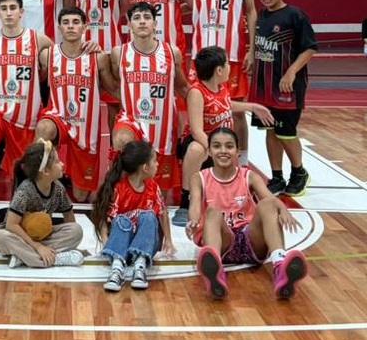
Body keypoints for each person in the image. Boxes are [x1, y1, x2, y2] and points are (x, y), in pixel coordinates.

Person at [186, 127, 309, 300]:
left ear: (238, 151)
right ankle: (215, 270)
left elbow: (270, 199)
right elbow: (194, 206)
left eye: (229, 146)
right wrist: (192, 221)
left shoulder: (249, 176)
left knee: (267, 204)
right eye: (217, 146)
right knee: (212, 212)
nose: (223, 151)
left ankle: (280, 265)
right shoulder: (199, 178)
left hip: (251, 240)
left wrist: (283, 210)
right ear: (209, 152)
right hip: (223, 242)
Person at [0, 0, 54, 209]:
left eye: (13, 8)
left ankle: (4, 149)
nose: (8, 13)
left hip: (27, 114)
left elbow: (54, 61)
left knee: (24, 180)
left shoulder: (38, 39)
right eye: (4, 8)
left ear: (21, 12)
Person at [175, 46, 274, 226]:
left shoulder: (221, 87)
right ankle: (185, 202)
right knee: (196, 149)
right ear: (219, 70)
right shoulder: (196, 92)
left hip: (218, 144)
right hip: (203, 144)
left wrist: (252, 107)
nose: (230, 67)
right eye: (227, 63)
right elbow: (196, 131)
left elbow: (226, 105)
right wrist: (214, 150)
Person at [188, 0, 257, 165]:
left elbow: (251, 11)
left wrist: (251, 50)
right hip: (201, 54)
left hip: (232, 54)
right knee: (198, 107)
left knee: (236, 111)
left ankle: (242, 160)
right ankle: (203, 158)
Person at [36, 8, 116, 203]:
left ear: (84, 27)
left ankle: (67, 176)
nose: (70, 26)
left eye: (75, 22)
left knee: (81, 196)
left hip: (85, 127)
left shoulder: (98, 57)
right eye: (66, 22)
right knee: (44, 128)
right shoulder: (48, 55)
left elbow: (113, 89)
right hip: (58, 118)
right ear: (59, 28)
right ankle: (39, 182)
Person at [110, 2, 191, 191]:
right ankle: (117, 192)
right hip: (132, 121)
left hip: (163, 125)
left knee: (159, 192)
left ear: (155, 24)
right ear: (129, 24)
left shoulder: (172, 53)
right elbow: (115, 84)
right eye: (136, 18)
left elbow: (182, 87)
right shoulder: (119, 53)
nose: (142, 22)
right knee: (122, 140)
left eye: (147, 18)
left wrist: (207, 105)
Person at [250, 0, 317, 196]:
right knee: (270, 131)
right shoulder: (261, 16)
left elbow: (310, 48)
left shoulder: (295, 15)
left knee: (285, 132)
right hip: (263, 86)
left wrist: (291, 72)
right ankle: (277, 176)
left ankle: (299, 172)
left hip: (287, 86)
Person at [62, 0, 128, 127]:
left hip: (111, 46)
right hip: (82, 49)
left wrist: (112, 16)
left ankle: (115, 145)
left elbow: (125, 5)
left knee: (114, 103)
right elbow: (69, 10)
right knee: (83, 101)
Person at [91, 140, 175, 292]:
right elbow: (105, 219)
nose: (157, 164)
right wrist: (106, 244)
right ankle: (117, 268)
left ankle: (140, 266)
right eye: (155, 161)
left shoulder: (153, 187)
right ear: (145, 168)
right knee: (121, 220)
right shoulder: (119, 189)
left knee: (149, 216)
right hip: (122, 246)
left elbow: (163, 214)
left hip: (147, 247)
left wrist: (168, 241)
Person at [0, 140, 85, 268]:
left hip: (43, 235)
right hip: (20, 236)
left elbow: (69, 217)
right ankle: (54, 259)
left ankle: (23, 257)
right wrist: (37, 246)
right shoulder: (24, 191)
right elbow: (11, 225)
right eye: (57, 162)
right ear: (45, 171)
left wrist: (73, 243)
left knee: (76, 230)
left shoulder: (58, 188)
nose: (62, 164)